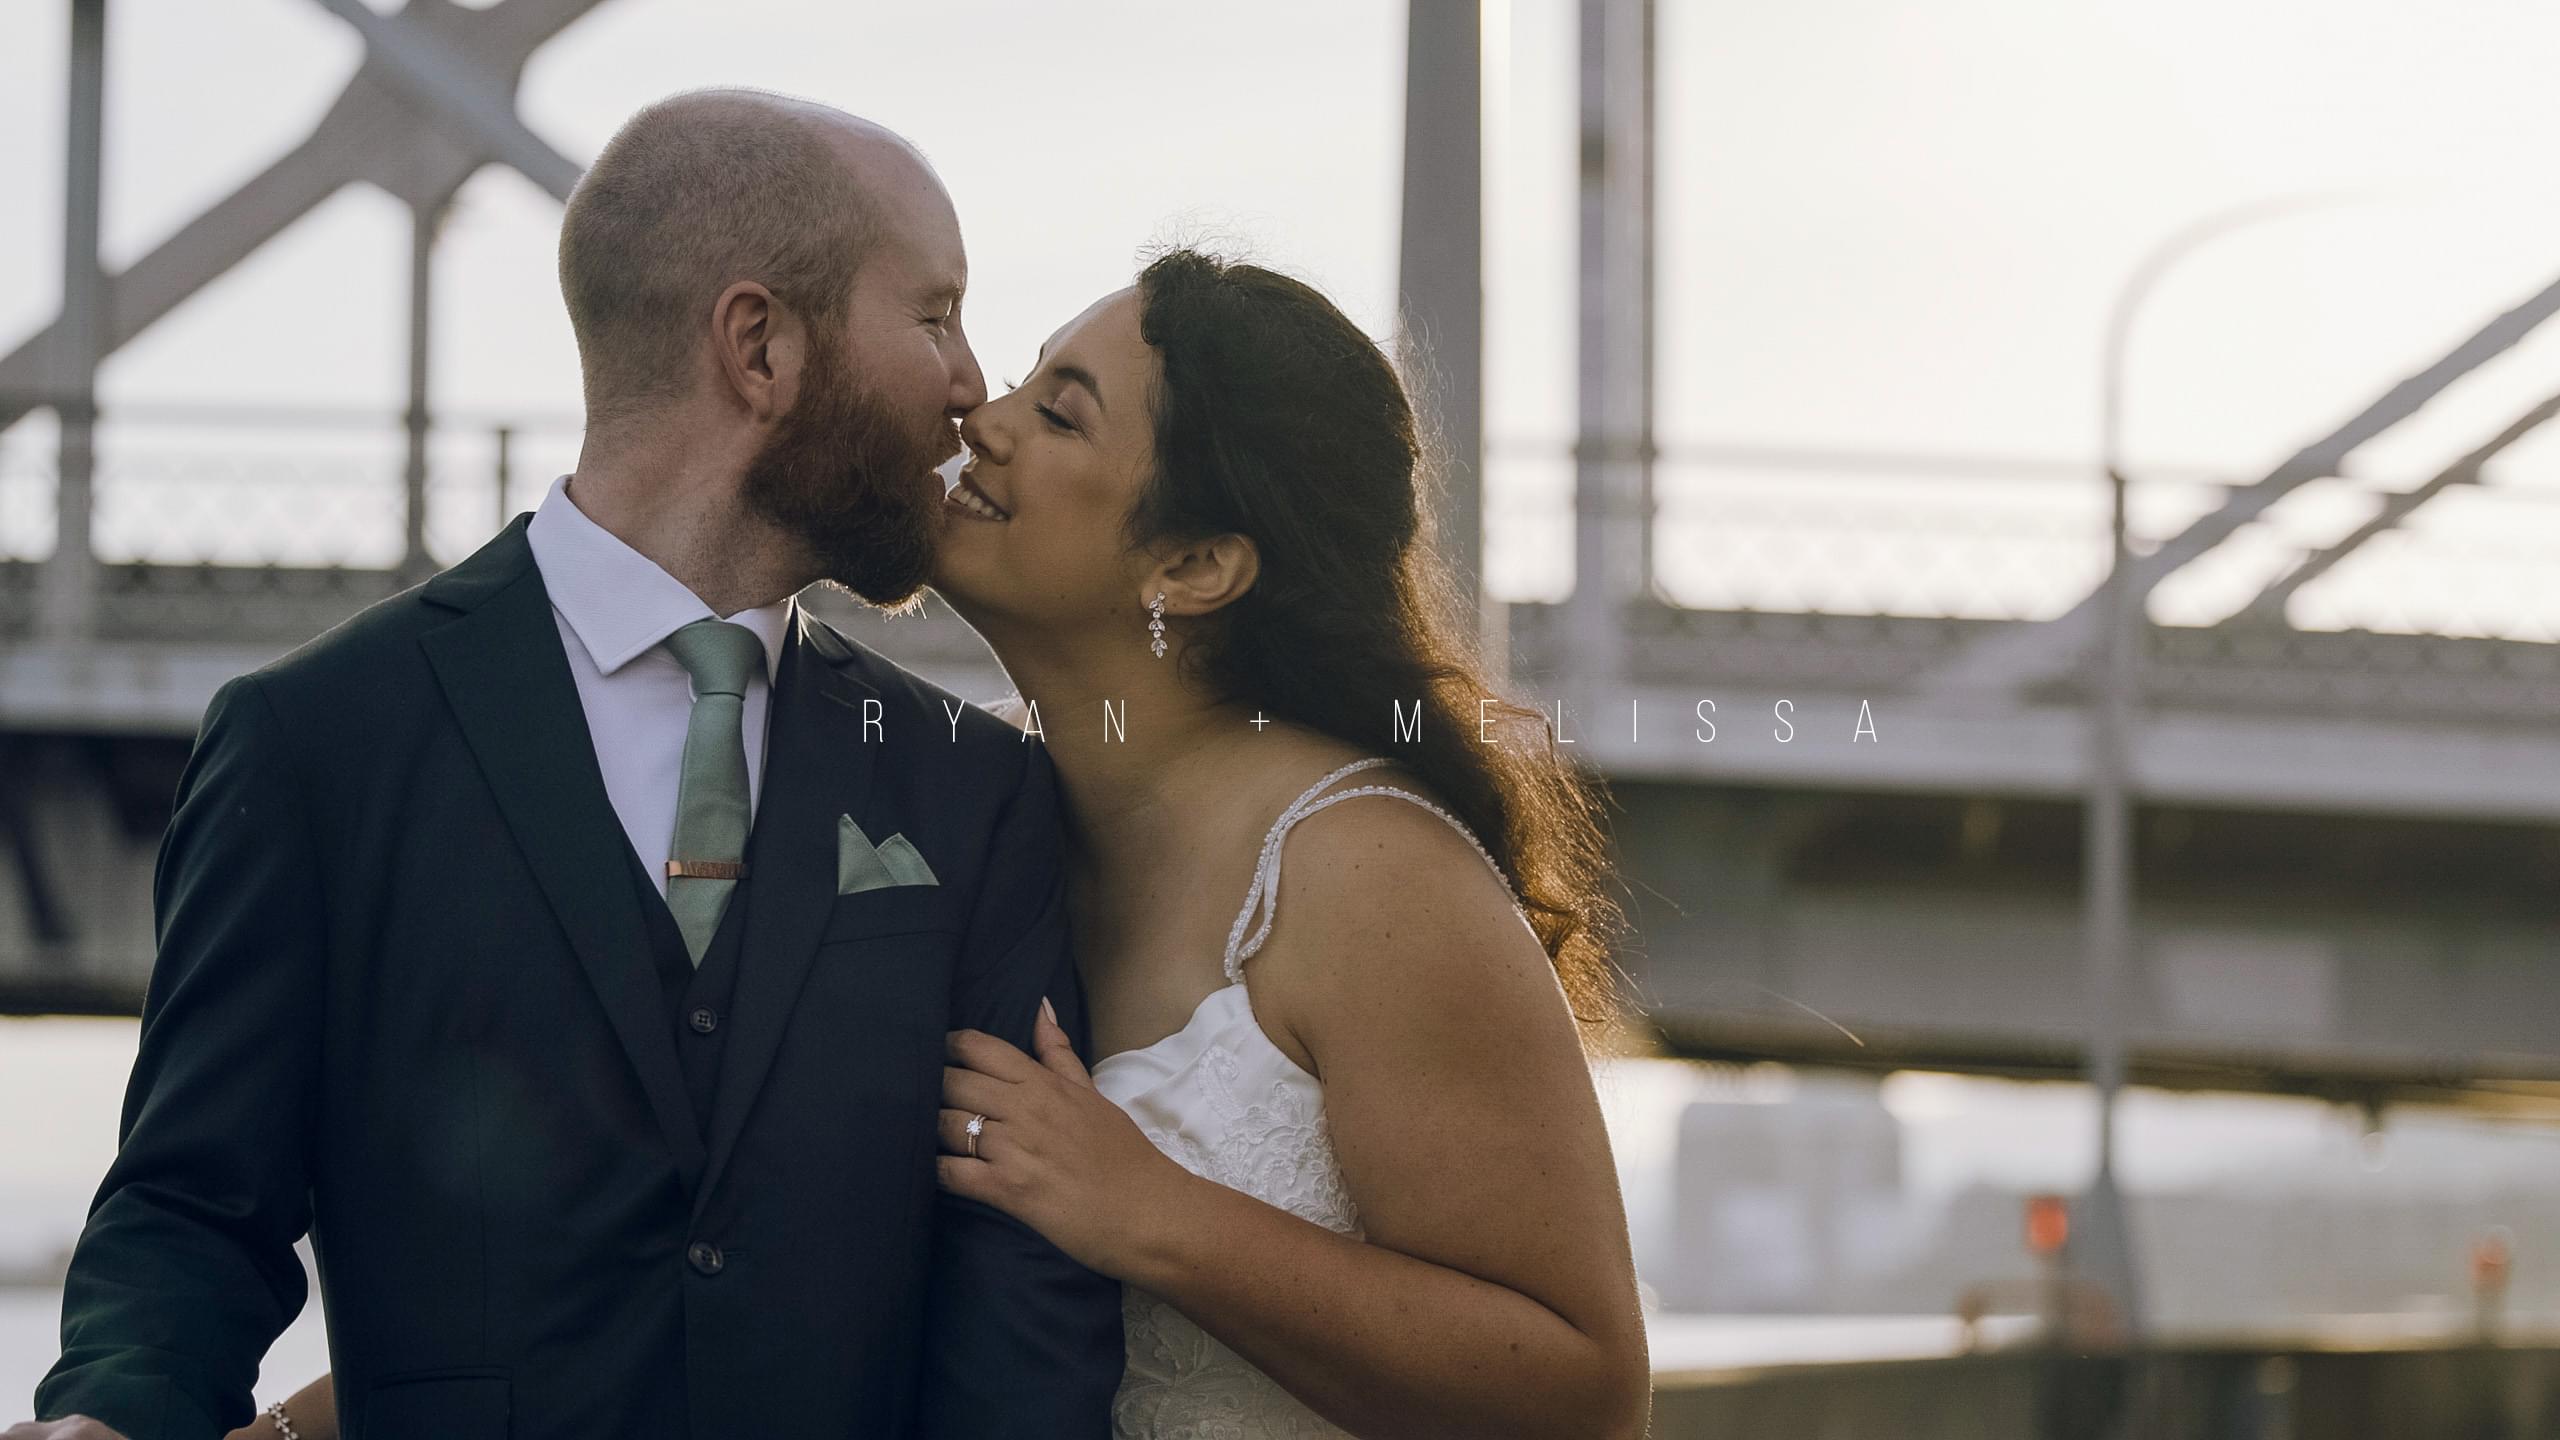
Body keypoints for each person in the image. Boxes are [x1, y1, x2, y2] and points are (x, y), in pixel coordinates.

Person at [12, 90, 1122, 1440]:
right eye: (936, 312)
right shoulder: (315, 743)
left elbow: (1021, 1317)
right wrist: (110, 1417)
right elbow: (192, 1212)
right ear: (759, 344)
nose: (969, 385)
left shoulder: (971, 787)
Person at [928, 251, 1652, 1438]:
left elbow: (1587, 1395)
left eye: (1056, 412)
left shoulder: (1364, 876)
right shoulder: (960, 794)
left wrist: (1146, 1211)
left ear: (1194, 566)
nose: (979, 419)